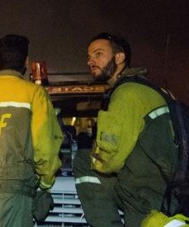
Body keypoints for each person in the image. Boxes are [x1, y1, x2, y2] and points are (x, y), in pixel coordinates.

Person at [72, 32, 178, 226]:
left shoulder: (126, 95)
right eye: (89, 56)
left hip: (145, 194)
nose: (90, 61)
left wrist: (92, 151)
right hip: (165, 187)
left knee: (82, 160)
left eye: (98, 54)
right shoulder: (147, 88)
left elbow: (108, 160)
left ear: (119, 58)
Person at [0, 34, 63, 226]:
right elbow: (45, 147)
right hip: (16, 196)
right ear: (26, 61)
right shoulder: (34, 93)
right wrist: (46, 181)